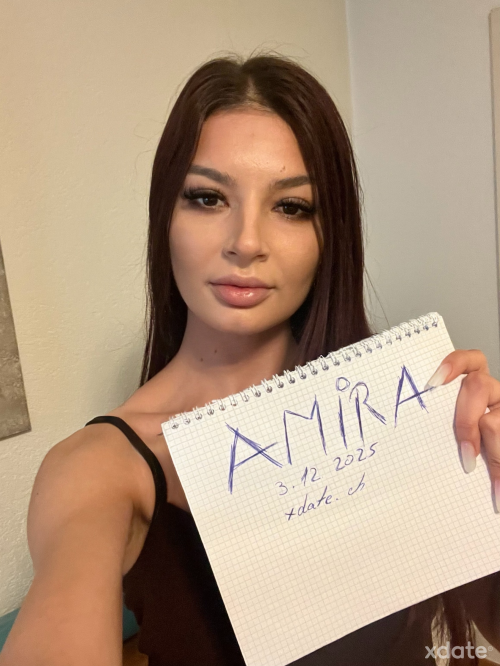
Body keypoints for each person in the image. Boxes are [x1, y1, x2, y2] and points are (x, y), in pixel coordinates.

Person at [1, 52, 500, 666]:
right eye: (208, 198)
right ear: (165, 217)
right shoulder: (102, 470)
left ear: (330, 236)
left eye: (291, 207)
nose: (246, 242)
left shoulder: (403, 413)